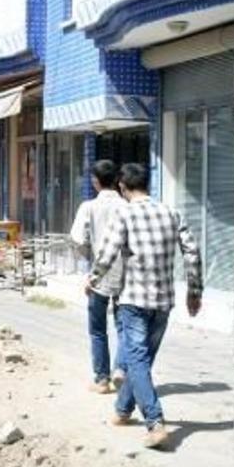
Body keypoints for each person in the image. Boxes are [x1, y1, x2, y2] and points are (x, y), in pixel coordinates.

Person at [87, 163, 202, 449]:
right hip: (163, 301)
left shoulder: (123, 213)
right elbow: (192, 251)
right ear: (147, 185)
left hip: (134, 301)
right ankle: (122, 410)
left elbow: (108, 252)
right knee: (142, 359)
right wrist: (195, 291)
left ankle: (155, 422)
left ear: (123, 188)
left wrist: (92, 279)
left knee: (137, 360)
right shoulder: (170, 212)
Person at [70, 160, 127, 394]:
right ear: (117, 181)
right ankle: (121, 370)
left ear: (95, 181)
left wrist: (88, 258)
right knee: (124, 327)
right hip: (127, 275)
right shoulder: (128, 205)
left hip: (98, 275)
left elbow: (78, 240)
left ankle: (101, 379)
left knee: (97, 329)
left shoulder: (88, 207)